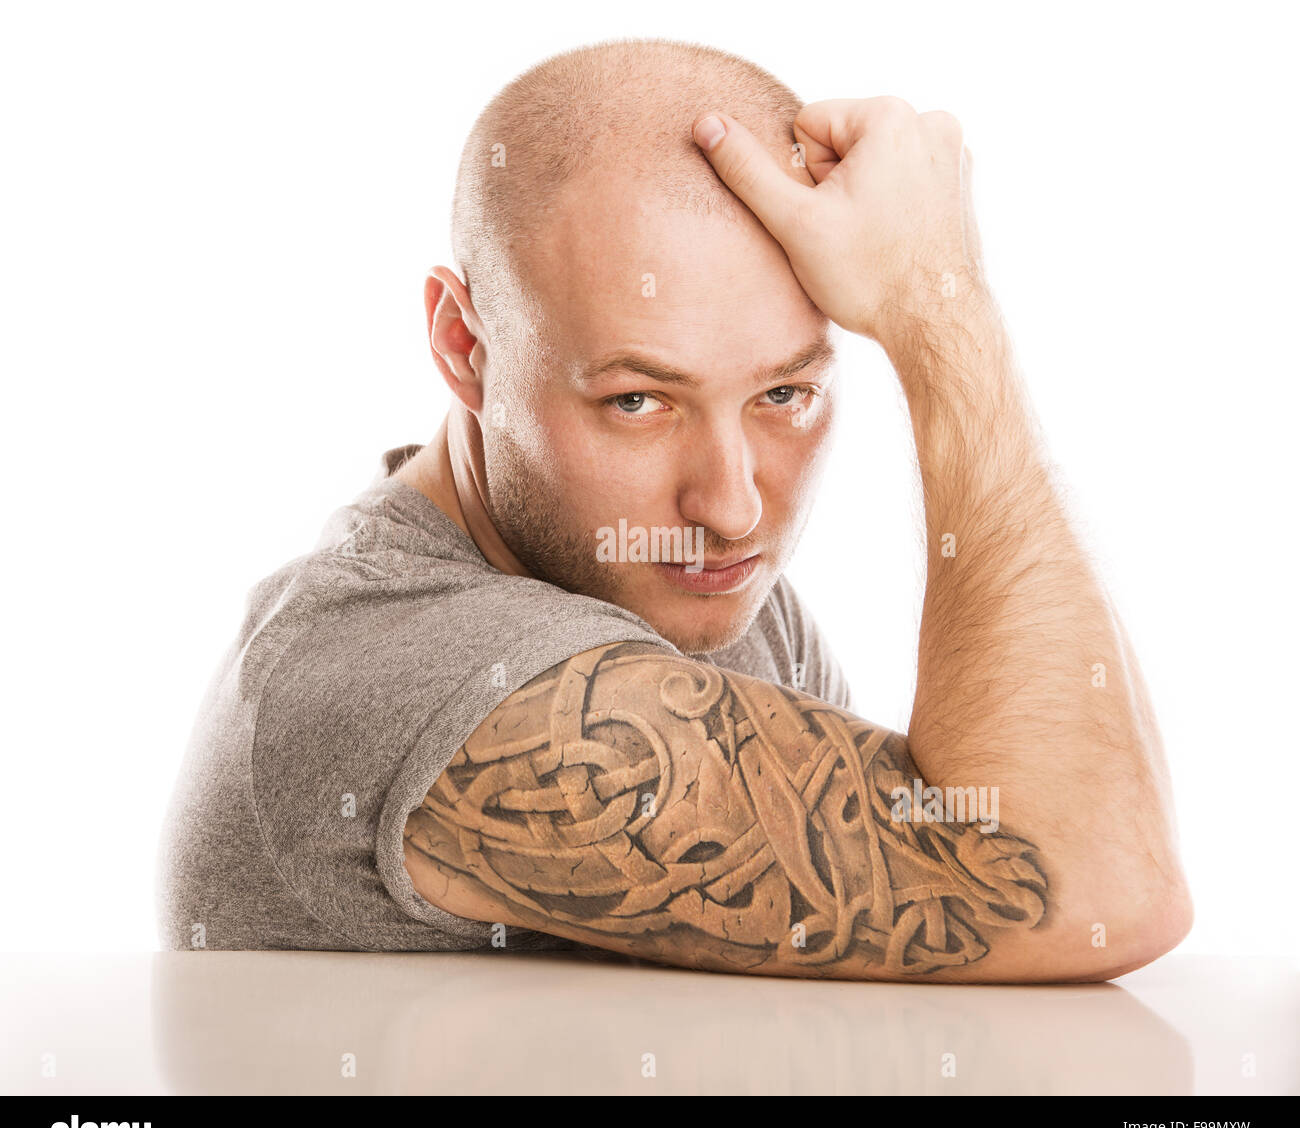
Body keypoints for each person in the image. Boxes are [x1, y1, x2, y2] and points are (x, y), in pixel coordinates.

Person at [157, 37, 1192, 981]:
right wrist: (938, 307)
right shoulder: (408, 670)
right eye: (638, 401)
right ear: (465, 347)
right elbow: (1088, 885)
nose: (733, 508)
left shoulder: (679, 583)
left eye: (783, 395)